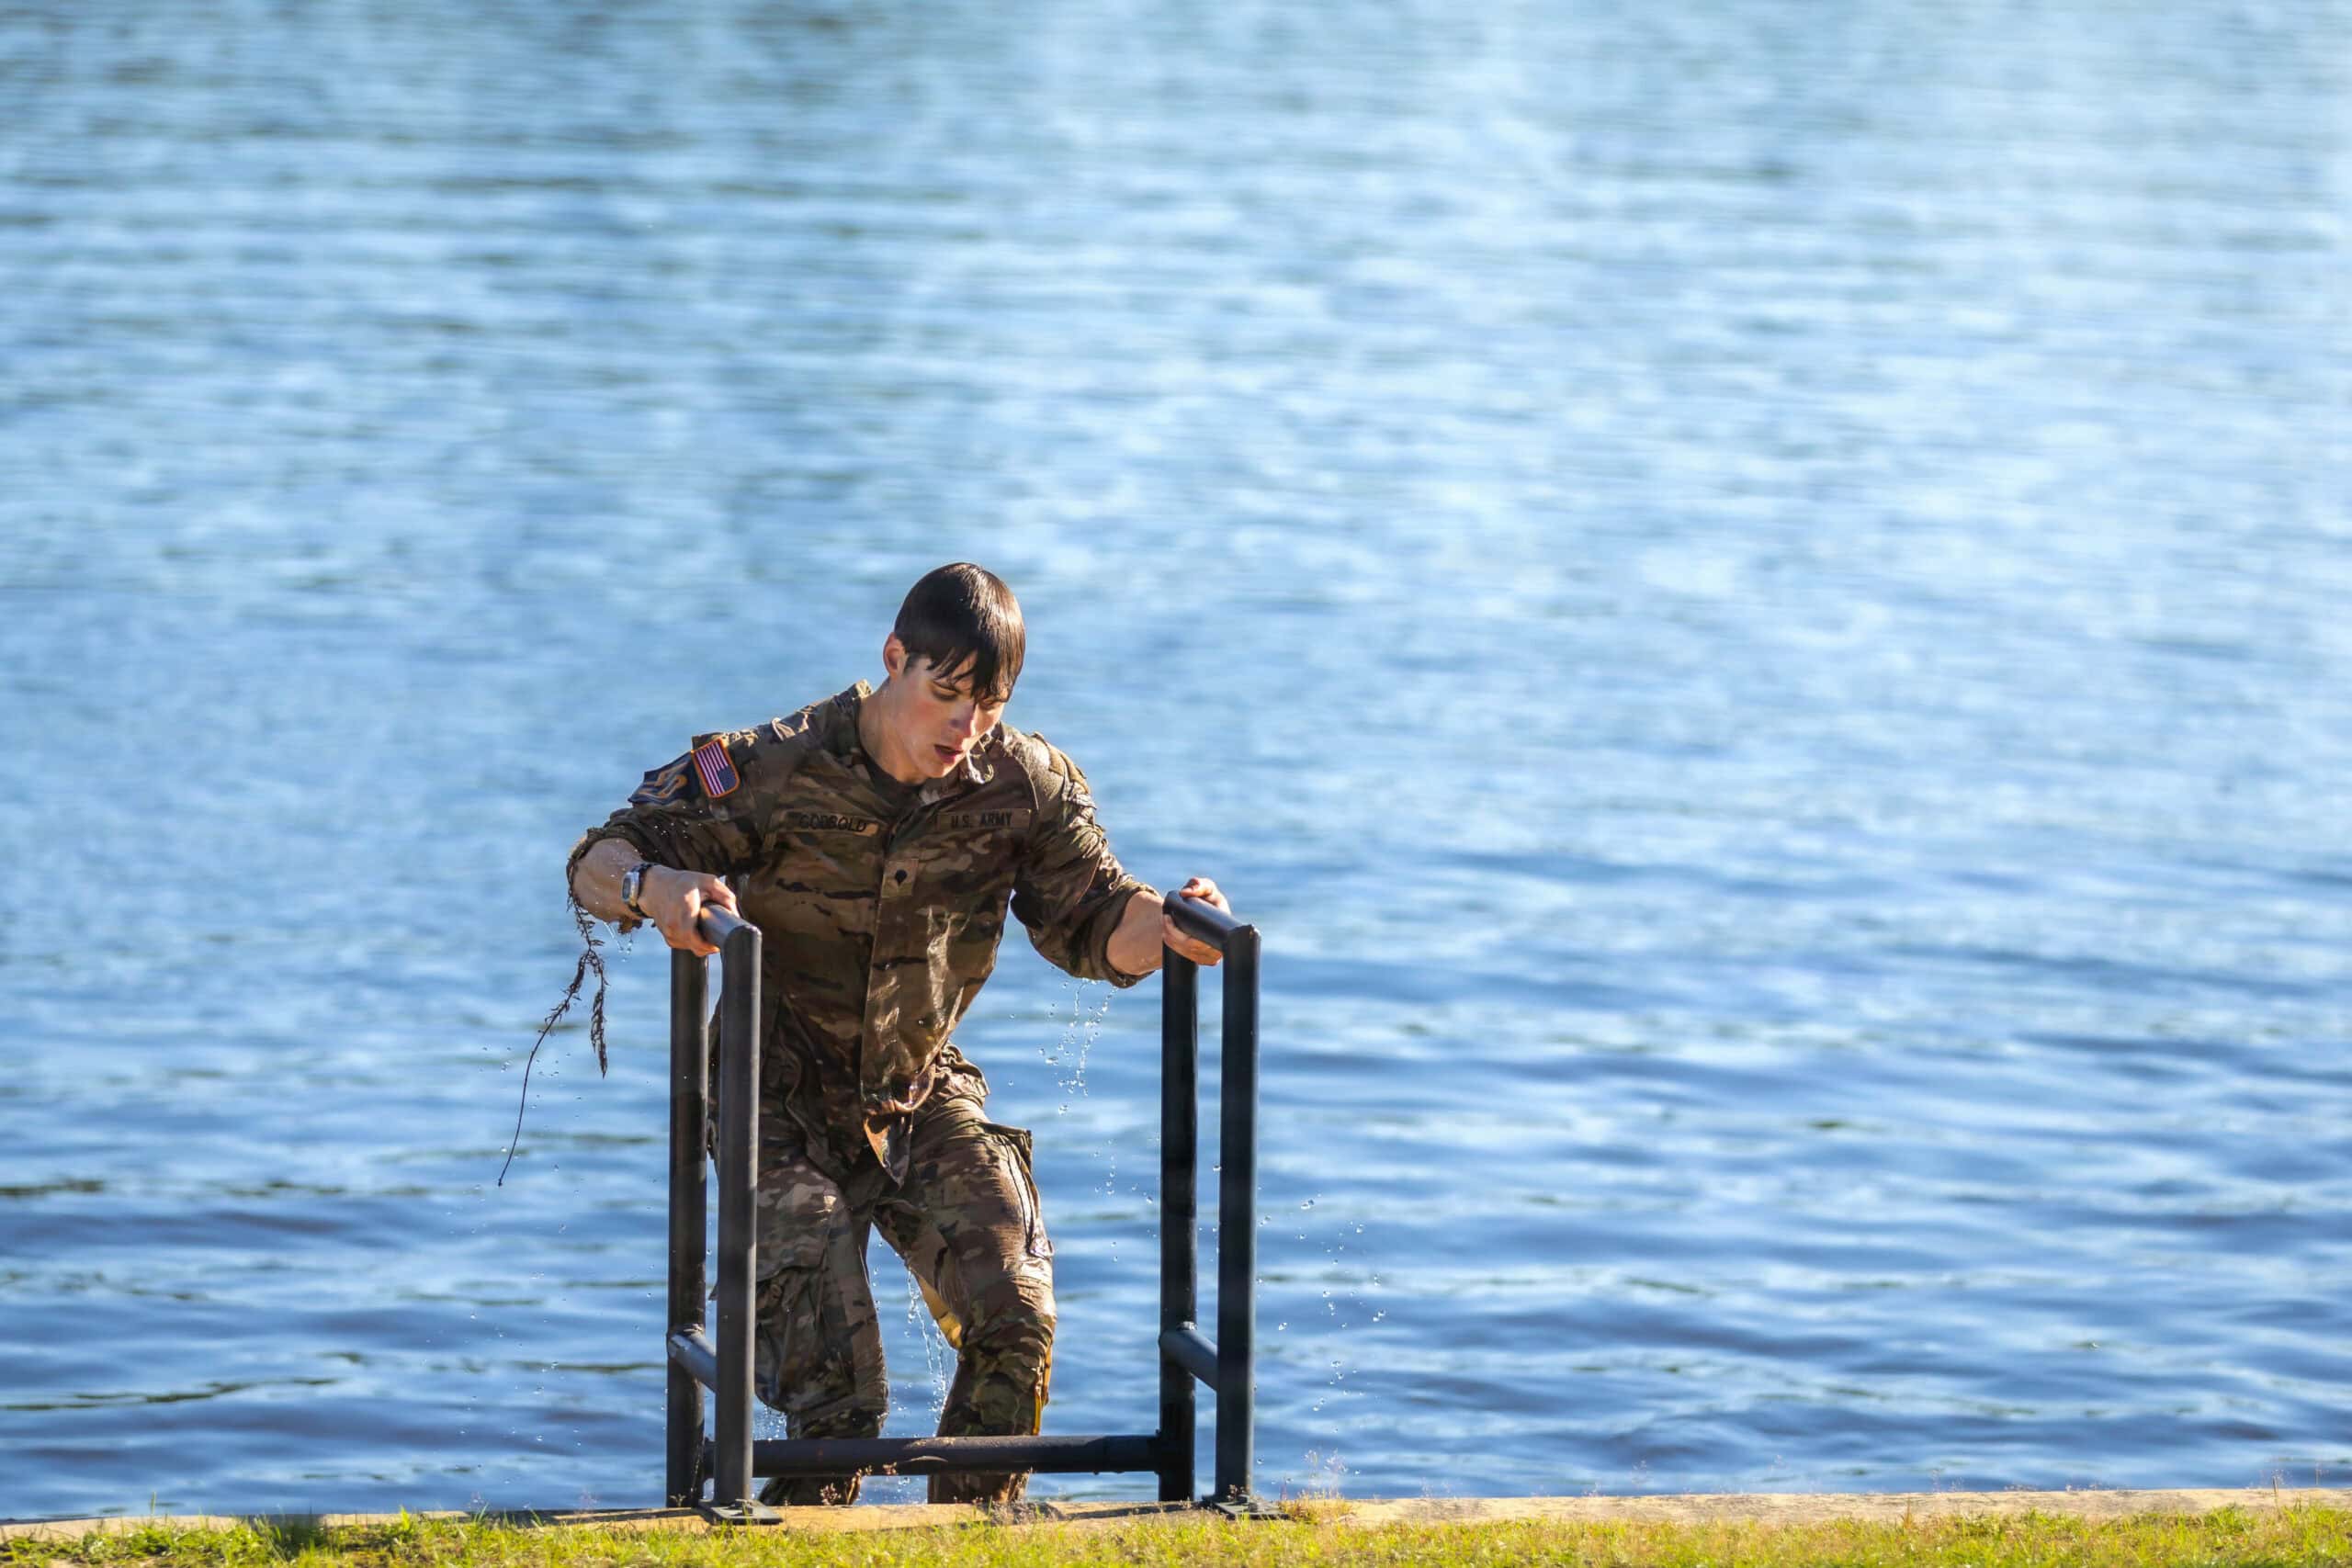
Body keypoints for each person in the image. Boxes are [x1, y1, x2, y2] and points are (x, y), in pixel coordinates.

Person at [564, 562, 1229, 1506]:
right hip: (774, 1100)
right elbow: (599, 855)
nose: (964, 729)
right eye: (946, 694)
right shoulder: (777, 765)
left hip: (915, 1089)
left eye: (988, 706)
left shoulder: (1020, 783)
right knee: (841, 1400)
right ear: (893, 661)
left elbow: (1094, 918)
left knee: (1018, 1316)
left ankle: (969, 1534)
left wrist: (1169, 925)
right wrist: (650, 887)